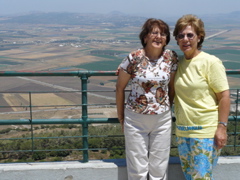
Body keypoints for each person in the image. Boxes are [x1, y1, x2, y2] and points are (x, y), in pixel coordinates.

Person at [116, 18, 178, 180]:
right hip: (135, 119)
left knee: (159, 167)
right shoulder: (133, 58)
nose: (159, 36)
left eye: (163, 34)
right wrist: (121, 116)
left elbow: (172, 88)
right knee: (137, 169)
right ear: (145, 37)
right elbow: (119, 88)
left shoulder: (171, 57)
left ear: (166, 39)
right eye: (154, 32)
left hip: (162, 120)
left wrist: (165, 108)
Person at [173, 14, 230, 180]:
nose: (185, 39)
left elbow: (224, 97)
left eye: (190, 35)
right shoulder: (178, 63)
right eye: (181, 35)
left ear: (199, 37)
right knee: (190, 177)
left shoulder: (210, 62)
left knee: (201, 178)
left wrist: (222, 128)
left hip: (205, 132)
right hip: (183, 132)